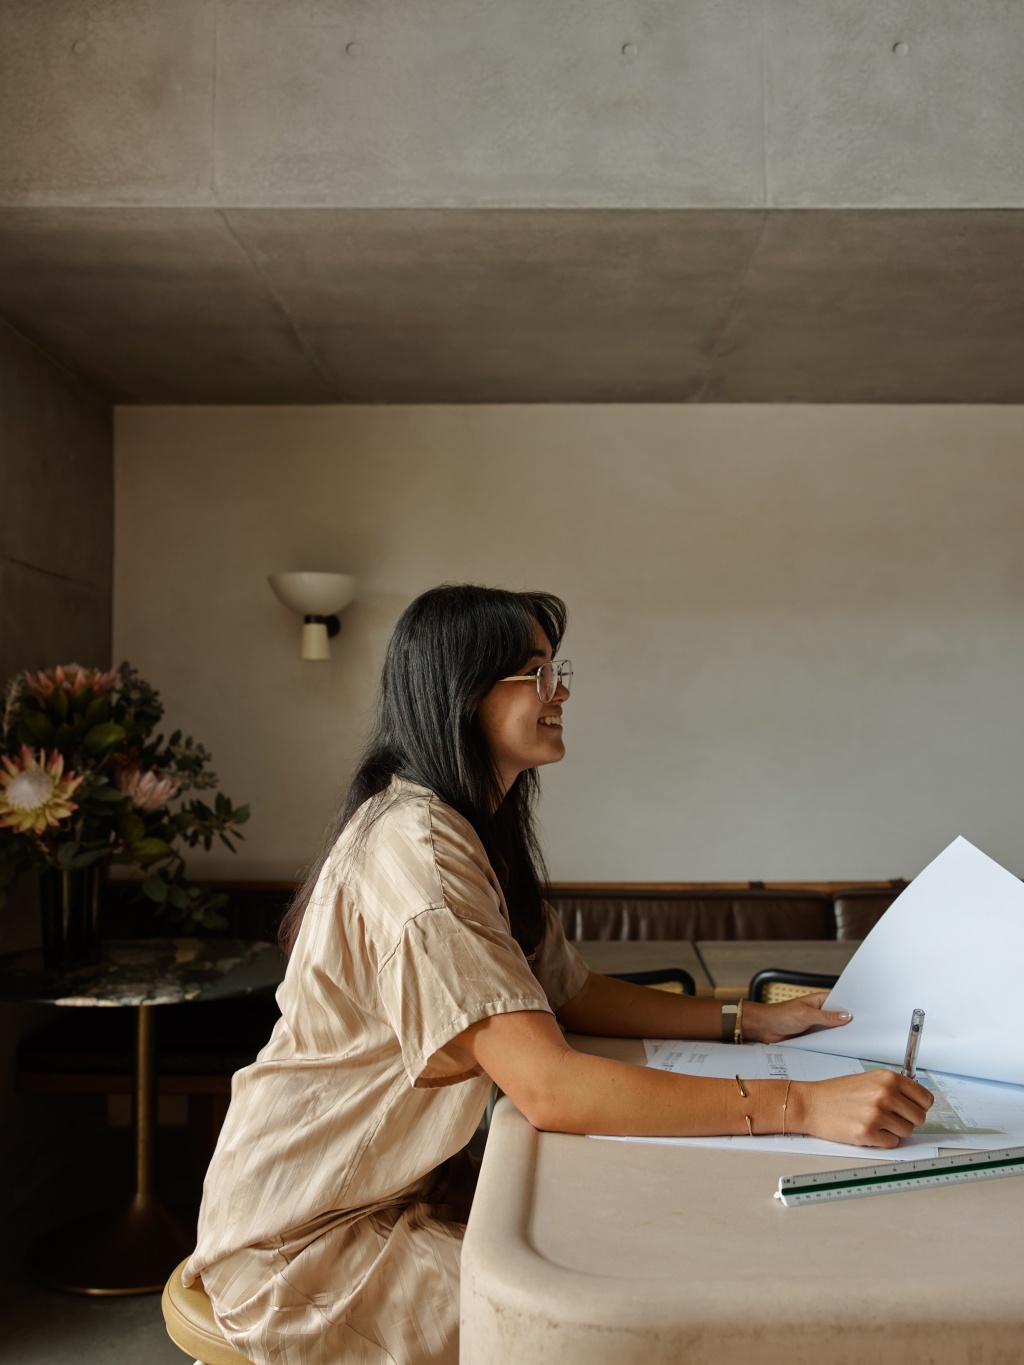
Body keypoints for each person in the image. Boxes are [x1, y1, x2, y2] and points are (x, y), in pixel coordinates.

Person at [184, 583, 933, 1365]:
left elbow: (570, 991)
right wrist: (803, 1105)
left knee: (653, 1256)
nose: (561, 691)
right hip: (307, 1240)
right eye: (535, 673)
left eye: (556, 670)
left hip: (393, 1193)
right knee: (613, 1331)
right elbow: (547, 1086)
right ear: (462, 690)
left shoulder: (464, 829)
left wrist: (746, 1018)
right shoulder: (421, 853)